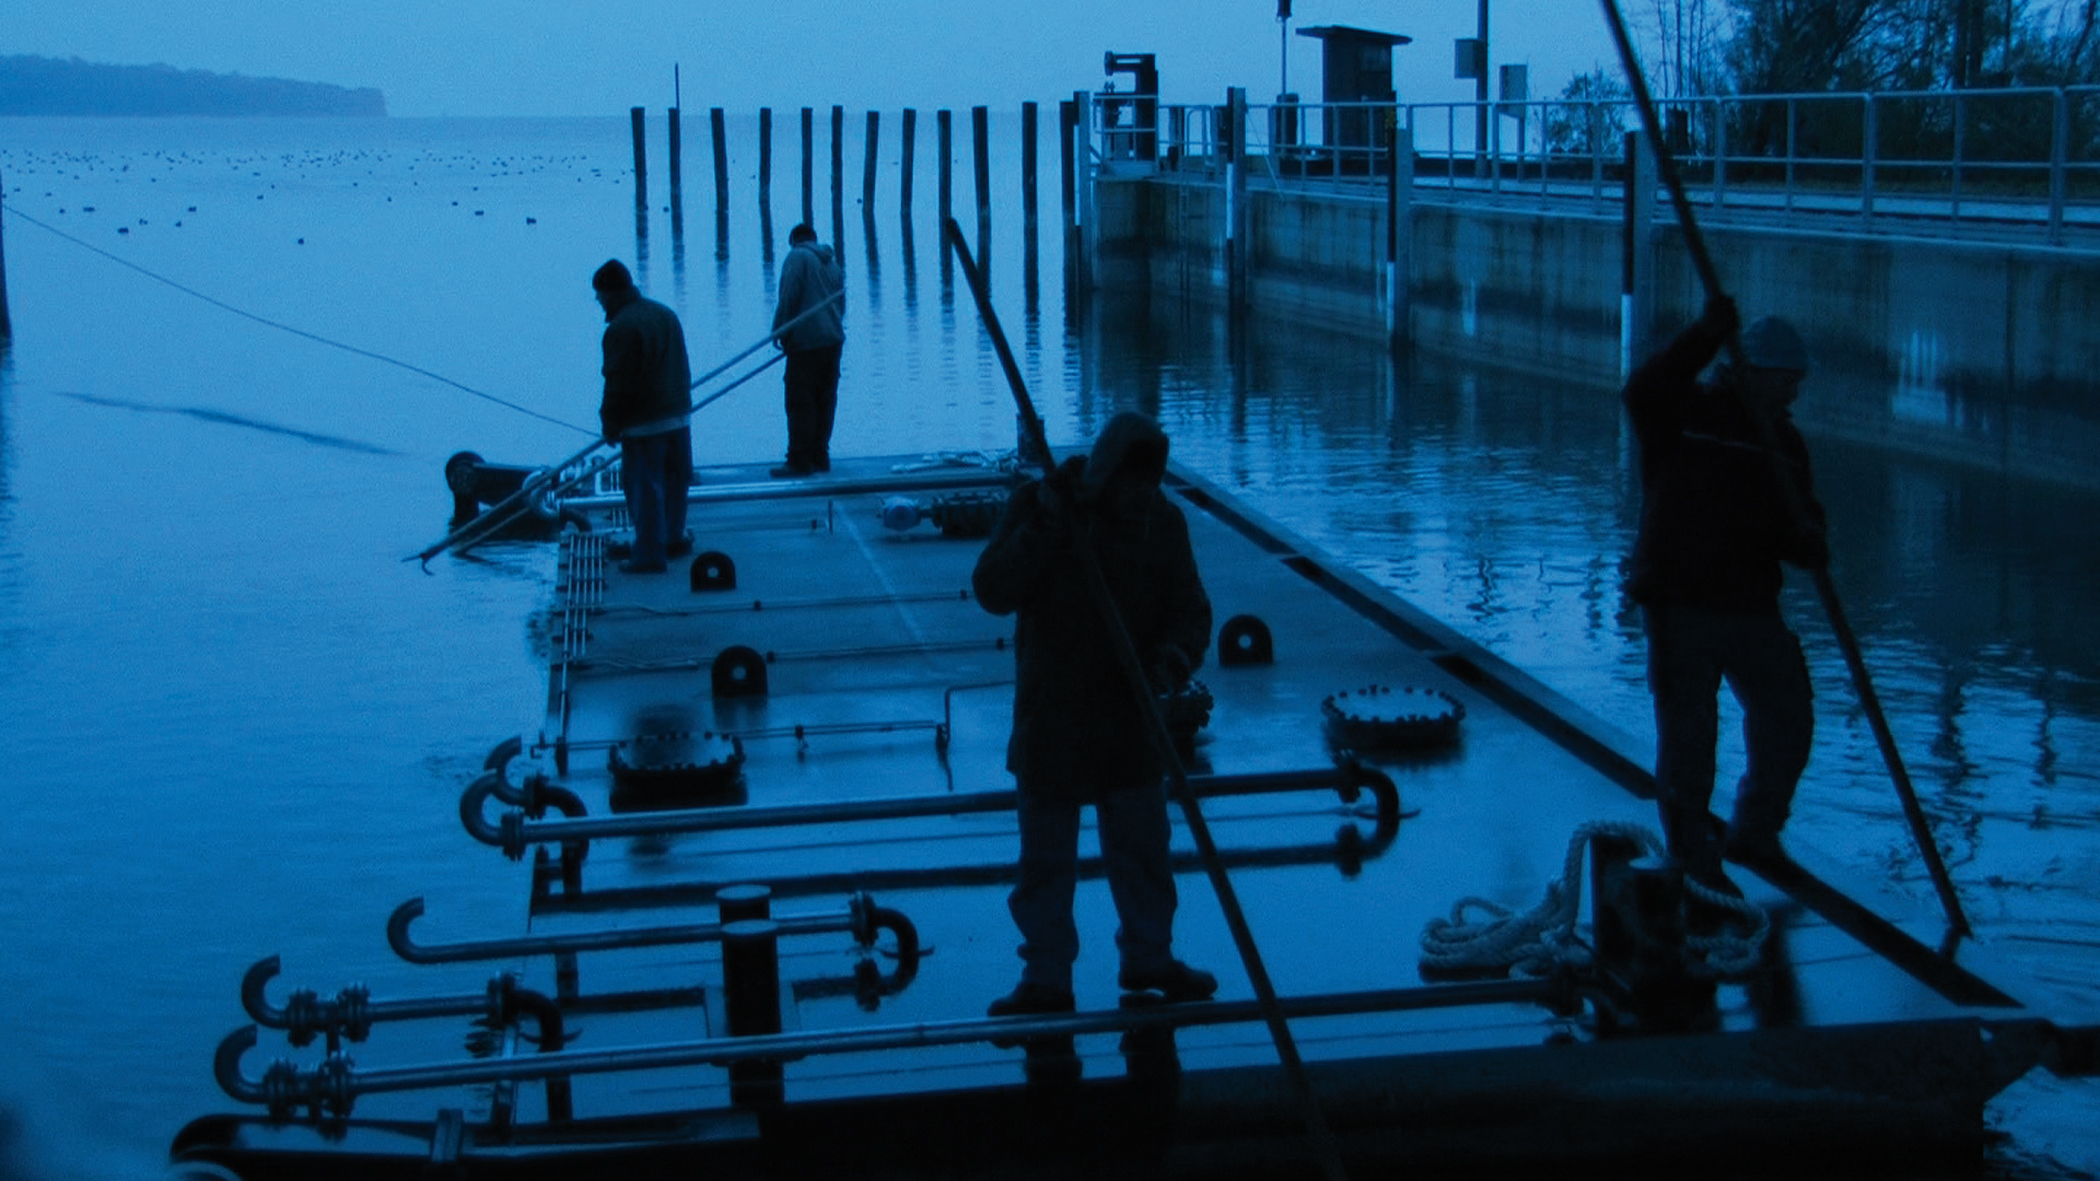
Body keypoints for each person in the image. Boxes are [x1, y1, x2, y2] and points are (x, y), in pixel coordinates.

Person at [971, 411, 1218, 1018]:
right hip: (1052, 716)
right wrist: (1047, 526)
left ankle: (1149, 957)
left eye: (1151, 487)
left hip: (1130, 716)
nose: (1142, 499)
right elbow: (993, 590)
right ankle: (1046, 976)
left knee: (1144, 852)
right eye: (1132, 487)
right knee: (1045, 862)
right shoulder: (1040, 505)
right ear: (1107, 476)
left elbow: (1190, 610)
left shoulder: (1162, 522)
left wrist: (1170, 661)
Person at [1623, 295, 1828, 886]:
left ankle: (1756, 831)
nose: (1793, 394)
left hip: (1750, 604)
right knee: (1689, 737)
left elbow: (1801, 525)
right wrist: (1704, 334)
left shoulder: (1784, 444)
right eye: (1785, 381)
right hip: (1679, 601)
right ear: (1750, 371)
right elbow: (1642, 390)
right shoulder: (1685, 413)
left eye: (1797, 382)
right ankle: (1692, 855)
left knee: (1788, 714)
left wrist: (1811, 541)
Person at [593, 259, 694, 575]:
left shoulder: (621, 328)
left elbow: (618, 381)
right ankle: (672, 539)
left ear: (610, 292)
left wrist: (610, 422)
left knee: (644, 490)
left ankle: (649, 554)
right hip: (678, 415)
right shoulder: (665, 314)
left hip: (644, 423)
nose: (598, 302)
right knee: (675, 484)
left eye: (599, 295)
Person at [769, 223, 845, 478]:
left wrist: (779, 330)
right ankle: (819, 456)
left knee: (800, 400)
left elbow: (789, 296)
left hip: (806, 340)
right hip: (833, 339)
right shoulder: (832, 264)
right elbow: (841, 304)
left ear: (794, 240)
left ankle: (799, 460)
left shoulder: (797, 257)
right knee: (825, 399)